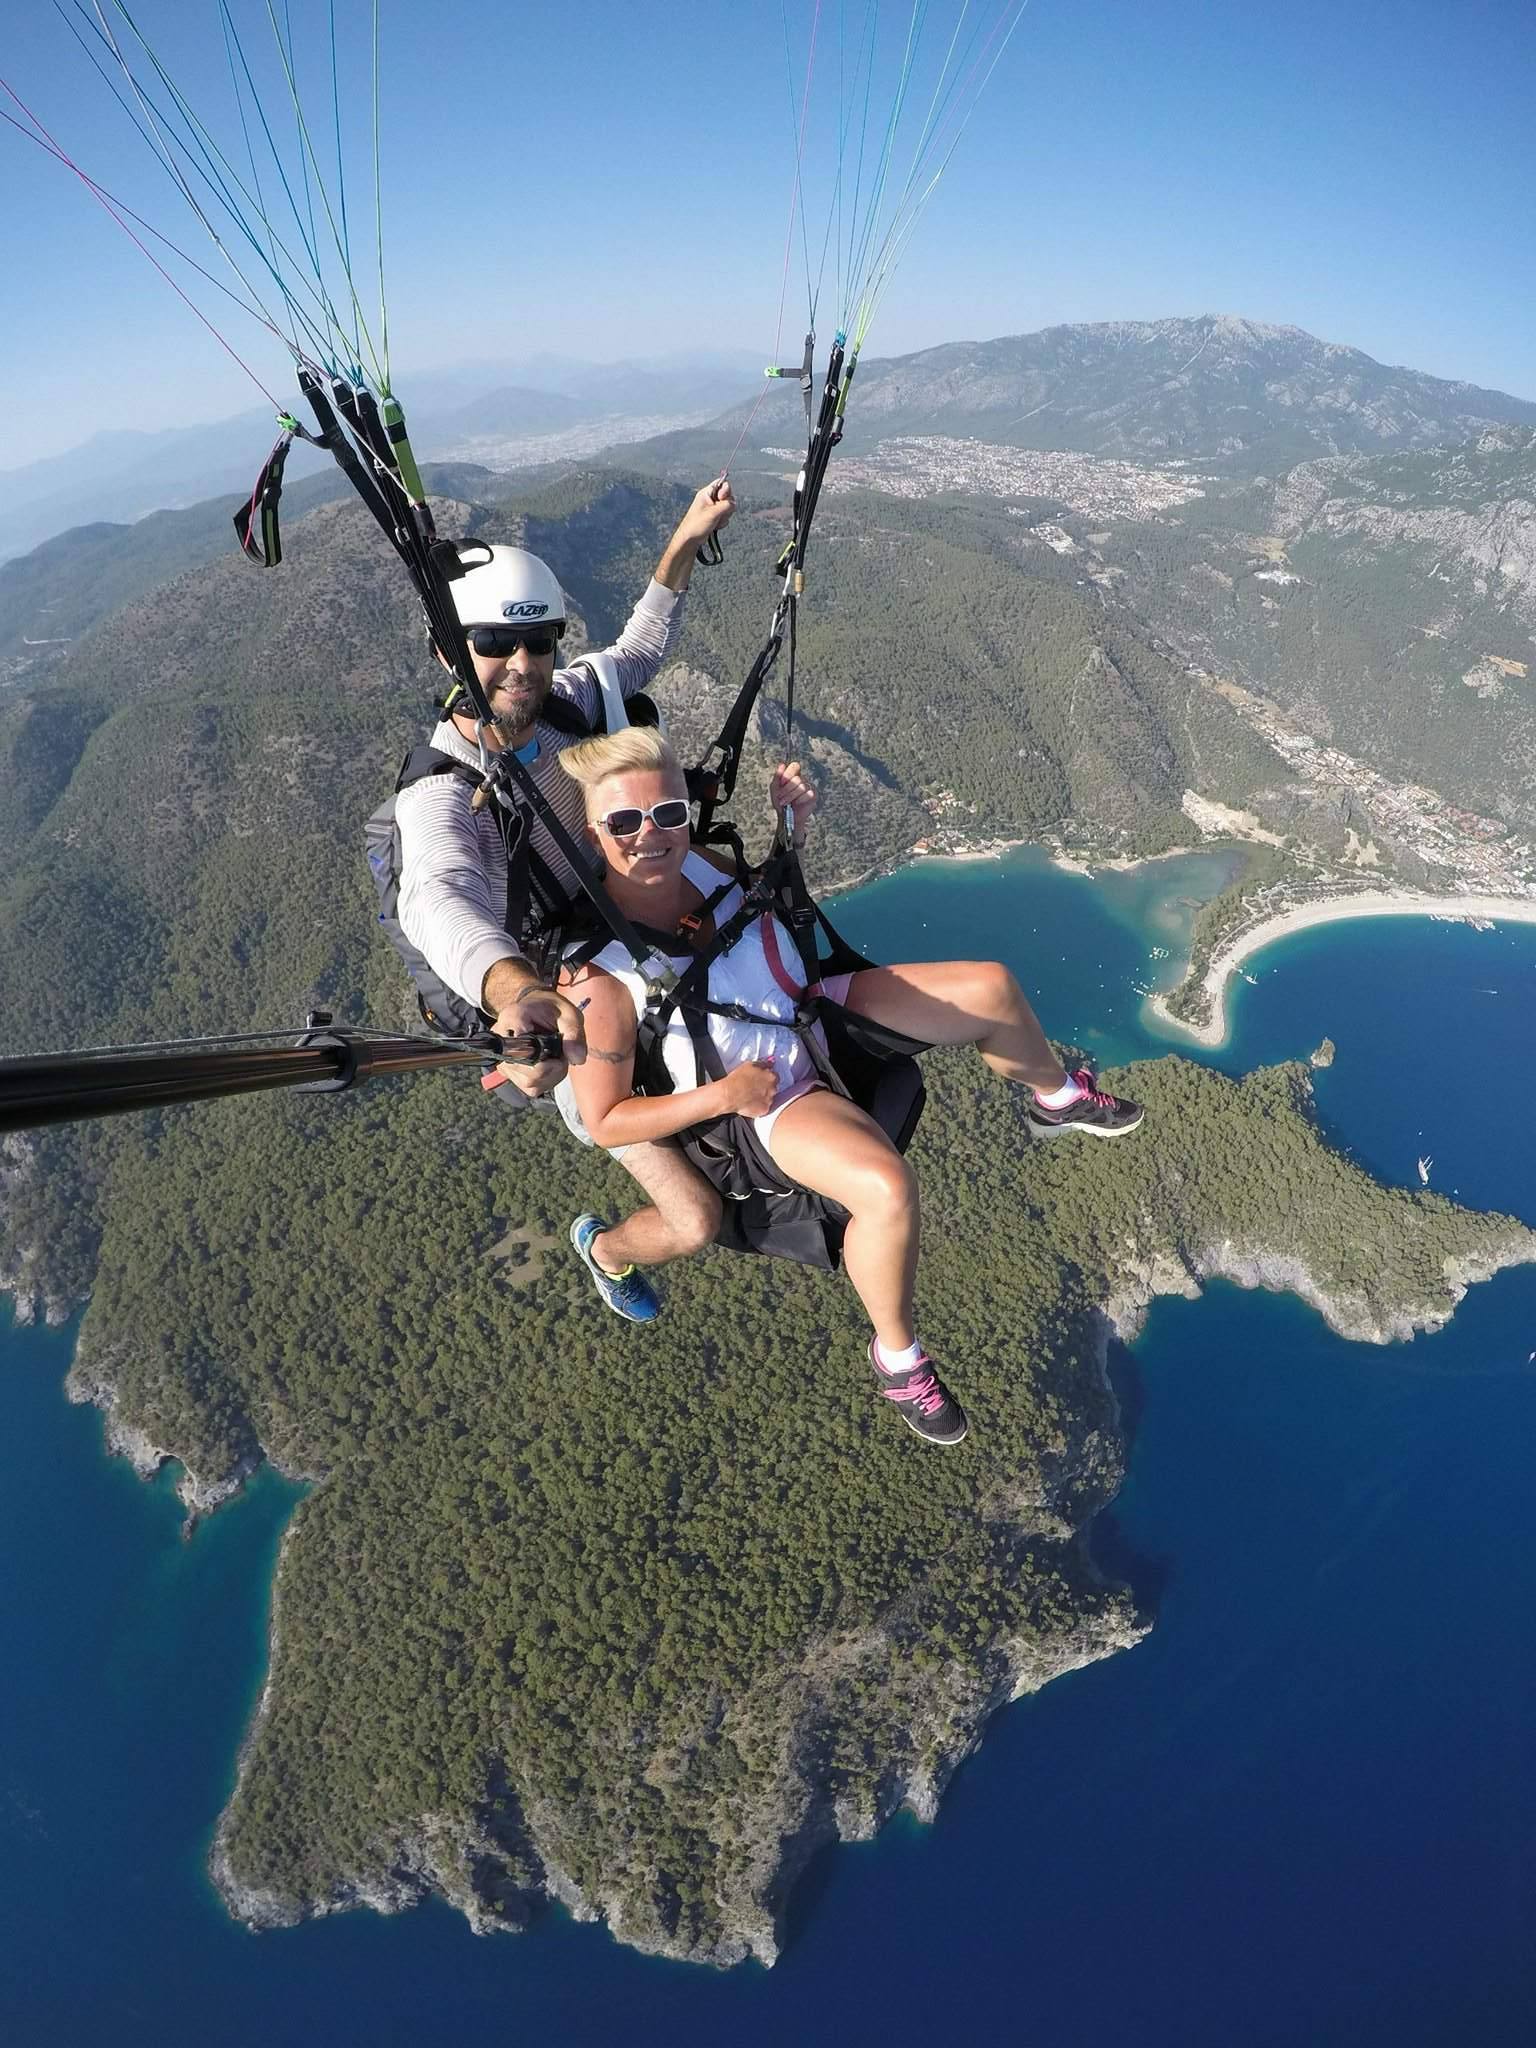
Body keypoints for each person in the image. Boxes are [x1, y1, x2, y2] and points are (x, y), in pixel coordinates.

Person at [555, 727, 1145, 1446]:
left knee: (991, 988)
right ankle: (898, 1358)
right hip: (767, 1093)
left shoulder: (701, 867)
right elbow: (608, 1119)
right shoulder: (596, 980)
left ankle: (1056, 1100)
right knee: (887, 1190)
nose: (651, 836)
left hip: (809, 1008)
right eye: (624, 822)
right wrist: (723, 1098)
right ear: (594, 834)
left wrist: (790, 832)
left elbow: (759, 914)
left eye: (668, 815)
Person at [395, 483, 736, 1315]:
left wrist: (687, 535)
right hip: (568, 983)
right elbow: (438, 897)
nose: (521, 663)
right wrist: (519, 996)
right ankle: (607, 1249)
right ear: (450, 653)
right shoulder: (444, 792)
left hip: (629, 920)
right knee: (694, 1219)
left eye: (537, 640)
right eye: (494, 642)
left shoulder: (568, 703)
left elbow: (644, 641)